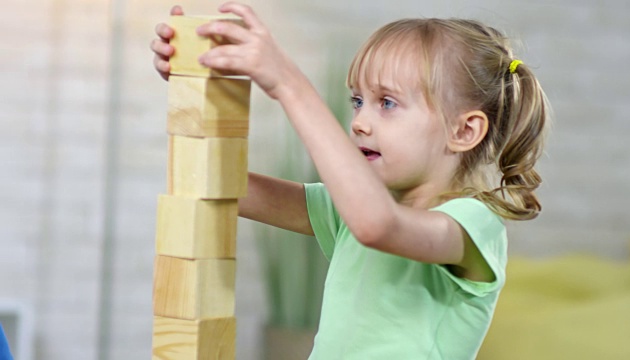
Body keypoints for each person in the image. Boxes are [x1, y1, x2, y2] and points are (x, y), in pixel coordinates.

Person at [151, 2, 549, 358]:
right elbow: (220, 187)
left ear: (463, 132)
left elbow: (376, 225)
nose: (359, 122)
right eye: (357, 101)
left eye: (387, 103)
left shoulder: (472, 224)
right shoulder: (353, 207)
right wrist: (198, 86)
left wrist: (288, 84)